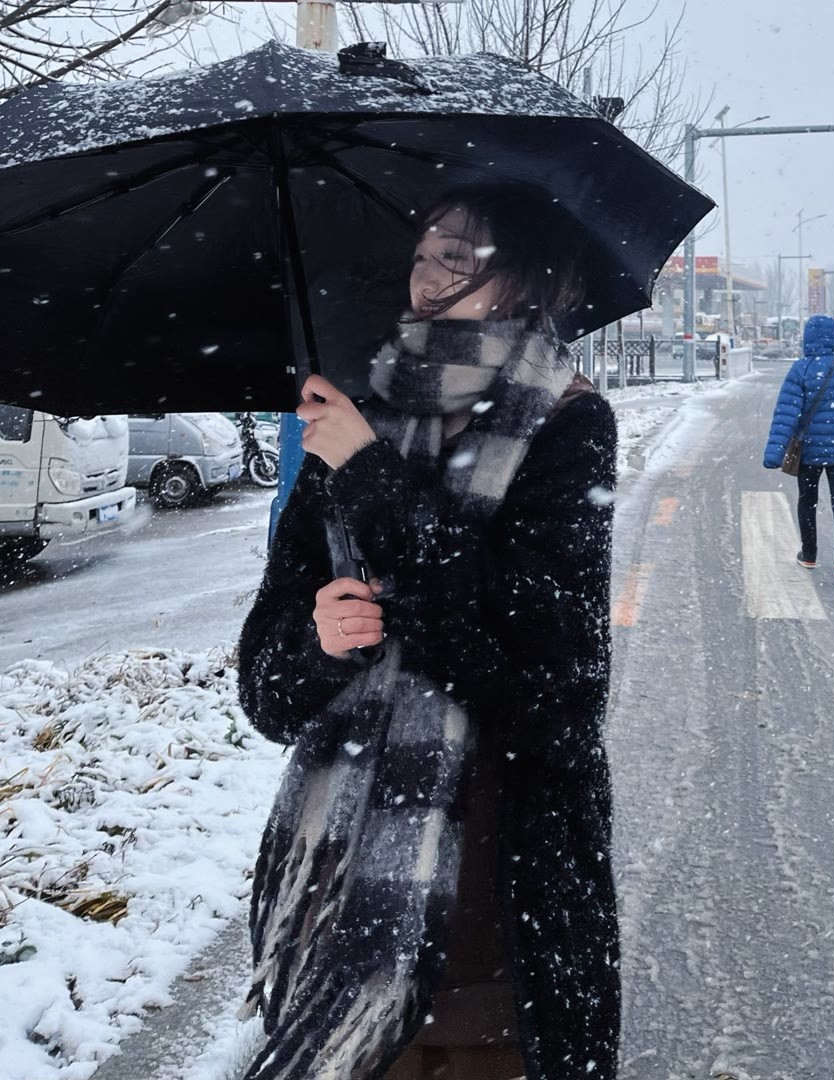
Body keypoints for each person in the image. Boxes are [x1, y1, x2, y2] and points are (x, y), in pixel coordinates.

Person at [236, 184, 620, 1080]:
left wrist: (372, 478)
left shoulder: (565, 421)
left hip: (494, 889)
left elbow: (548, 686)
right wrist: (317, 643)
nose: (427, 270)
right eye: (426, 248)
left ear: (528, 278)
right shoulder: (351, 411)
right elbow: (265, 688)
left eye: (459, 254)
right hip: (339, 912)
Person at [763, 314, 834, 588]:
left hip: (808, 453)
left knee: (807, 502)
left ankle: (809, 554)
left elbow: (786, 415)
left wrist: (774, 454)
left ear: (807, 339)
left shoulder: (800, 370)